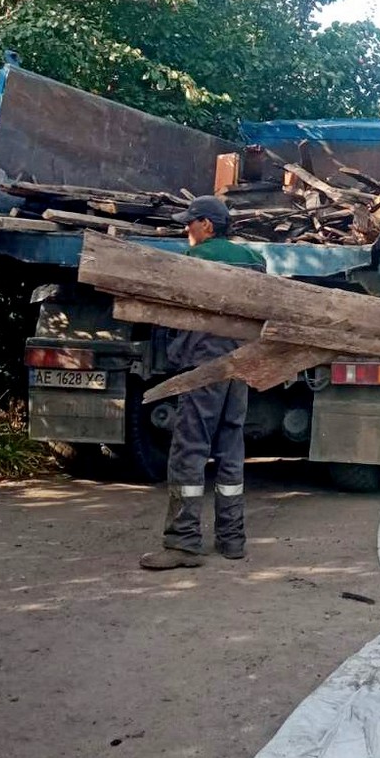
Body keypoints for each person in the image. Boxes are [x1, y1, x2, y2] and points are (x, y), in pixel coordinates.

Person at [139, 196, 266, 571]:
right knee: (231, 447)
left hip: (203, 365)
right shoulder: (253, 261)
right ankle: (232, 540)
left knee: (189, 449)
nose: (186, 229)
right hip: (241, 364)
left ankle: (183, 542)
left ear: (207, 225)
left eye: (190, 222)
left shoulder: (192, 262)